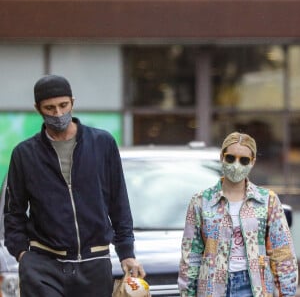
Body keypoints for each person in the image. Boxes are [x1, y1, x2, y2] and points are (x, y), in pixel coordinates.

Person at [4, 74, 145, 297]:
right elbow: (14, 212)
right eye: (49, 108)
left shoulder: (102, 143)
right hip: (43, 265)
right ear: (37, 108)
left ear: (73, 102)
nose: (58, 113)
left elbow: (119, 203)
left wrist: (126, 252)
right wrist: (23, 254)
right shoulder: (24, 154)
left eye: (63, 105)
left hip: (94, 263)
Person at [178, 132, 298, 297]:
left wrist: (288, 293)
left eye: (244, 160)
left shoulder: (267, 201)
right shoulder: (201, 201)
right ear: (222, 157)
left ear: (252, 162)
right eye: (230, 158)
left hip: (254, 287)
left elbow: (282, 253)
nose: (236, 165)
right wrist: (187, 293)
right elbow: (191, 256)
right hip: (212, 287)